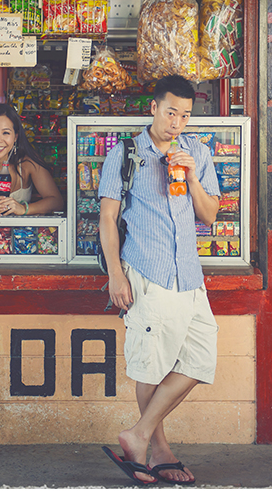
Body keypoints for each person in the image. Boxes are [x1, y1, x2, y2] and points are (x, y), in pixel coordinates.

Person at [98, 75, 220, 485]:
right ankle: (158, 448)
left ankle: (139, 435)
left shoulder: (197, 152)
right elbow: (108, 219)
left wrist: (194, 176)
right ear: (153, 108)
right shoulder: (126, 154)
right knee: (152, 365)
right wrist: (116, 274)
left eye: (185, 115)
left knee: (201, 358)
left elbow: (209, 214)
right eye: (171, 113)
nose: (177, 122)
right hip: (148, 271)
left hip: (189, 273)